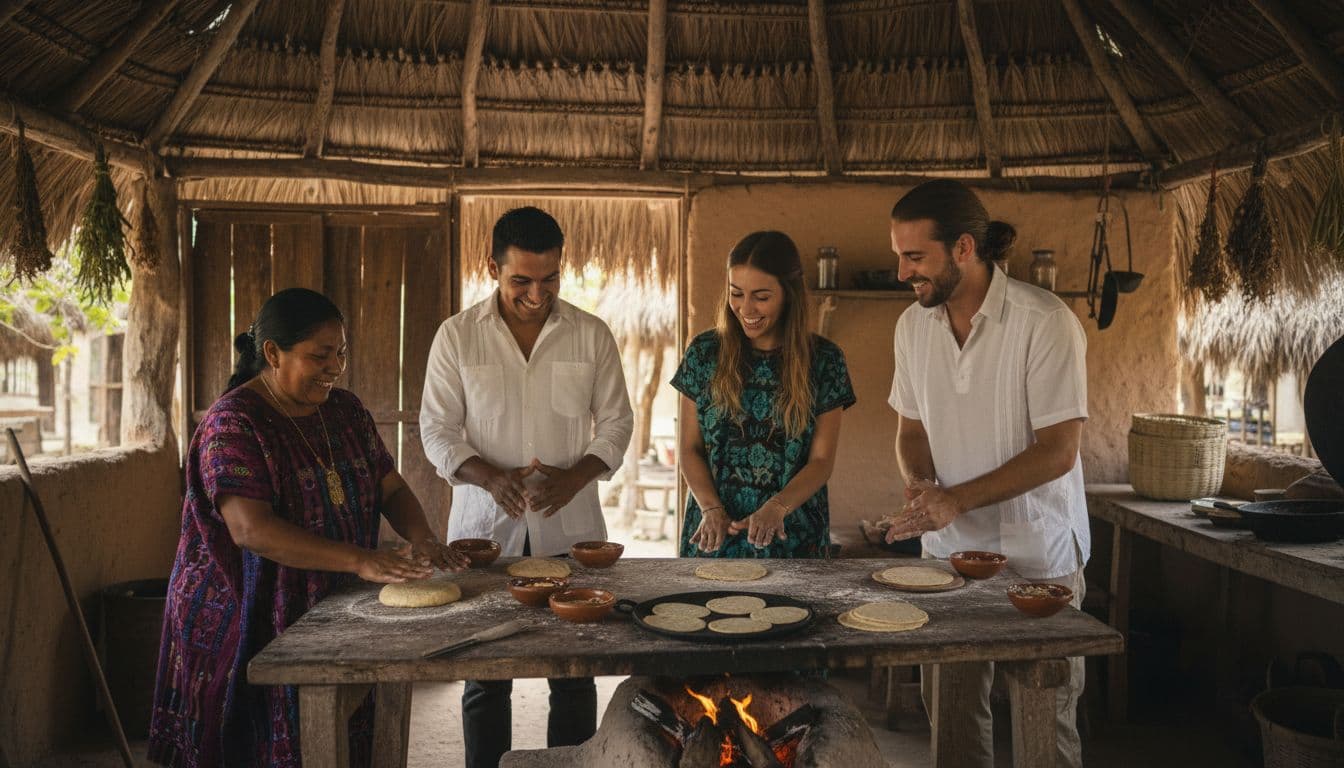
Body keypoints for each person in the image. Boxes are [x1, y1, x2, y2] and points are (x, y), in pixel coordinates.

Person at [149, 288, 468, 768]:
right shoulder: (233, 425)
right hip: (245, 612)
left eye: (340, 353)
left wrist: (421, 536)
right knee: (258, 745)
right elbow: (250, 530)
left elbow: (391, 488)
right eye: (320, 355)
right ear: (273, 353)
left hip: (331, 602)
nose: (335, 366)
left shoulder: (345, 411)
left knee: (341, 738)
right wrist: (362, 560)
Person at [884, 179, 1090, 768]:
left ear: (965, 249)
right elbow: (913, 433)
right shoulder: (912, 328)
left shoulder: (1044, 321)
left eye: (915, 257)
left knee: (1043, 719)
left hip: (1039, 555)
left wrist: (958, 499)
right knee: (951, 719)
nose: (903, 273)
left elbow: (1058, 452)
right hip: (947, 557)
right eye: (899, 256)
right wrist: (925, 490)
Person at [419, 206, 633, 768]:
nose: (537, 296)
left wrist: (576, 476)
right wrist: (488, 477)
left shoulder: (591, 334)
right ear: (493, 266)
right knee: (487, 678)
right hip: (484, 536)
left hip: (572, 531)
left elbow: (616, 422)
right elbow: (435, 430)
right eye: (521, 281)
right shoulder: (458, 337)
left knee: (574, 677)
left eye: (550, 279)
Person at [673, 230, 855, 558]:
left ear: (789, 294)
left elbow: (821, 461)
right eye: (736, 293)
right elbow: (689, 449)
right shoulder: (704, 353)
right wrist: (711, 509)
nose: (746, 308)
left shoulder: (825, 360)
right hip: (714, 533)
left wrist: (777, 508)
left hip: (792, 536)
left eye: (761, 296)